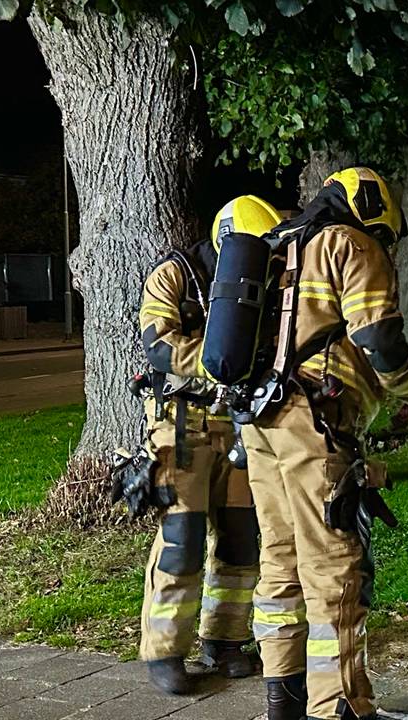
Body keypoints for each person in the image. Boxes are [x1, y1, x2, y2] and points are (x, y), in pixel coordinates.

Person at [239, 168, 408, 720]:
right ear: (379, 212)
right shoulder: (352, 244)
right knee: (334, 565)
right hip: (313, 422)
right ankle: (341, 706)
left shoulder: (281, 245)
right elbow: (377, 336)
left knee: (279, 557)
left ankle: (284, 698)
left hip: (259, 420)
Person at [133, 195, 282, 694]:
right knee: (183, 538)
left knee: (241, 539)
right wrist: (223, 358)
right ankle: (165, 650)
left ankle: (224, 640)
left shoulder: (263, 279)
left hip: (236, 422)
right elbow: (160, 343)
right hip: (181, 425)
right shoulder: (173, 275)